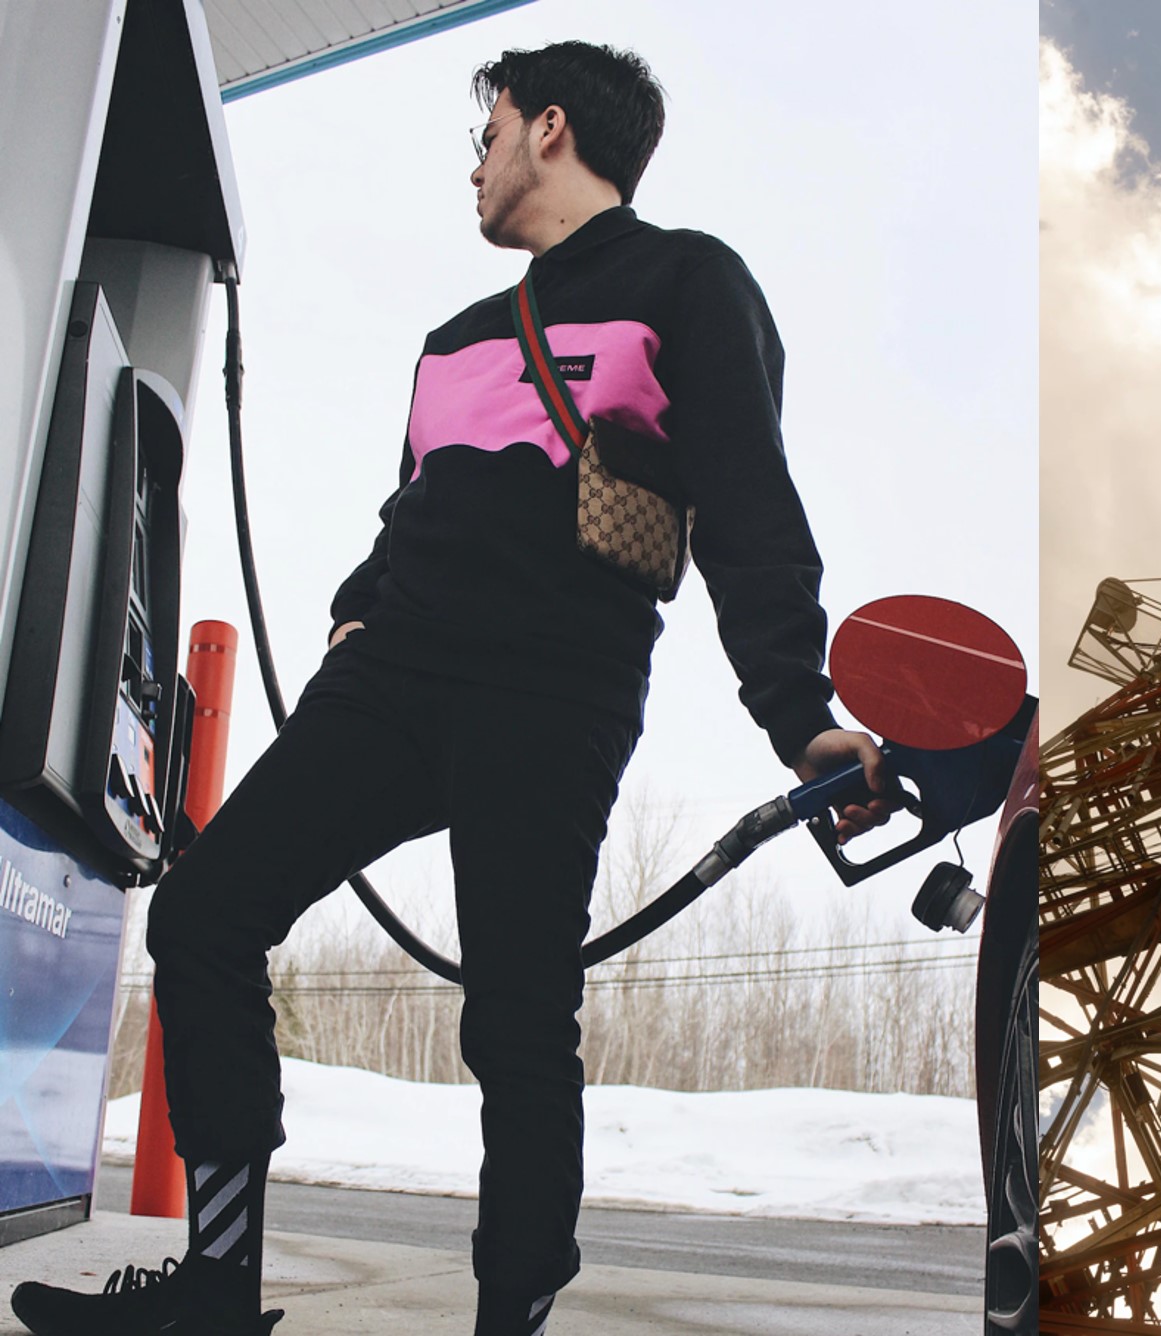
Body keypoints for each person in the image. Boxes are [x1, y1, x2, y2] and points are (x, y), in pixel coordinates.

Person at [10, 40, 888, 1336]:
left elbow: (745, 506)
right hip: (394, 677)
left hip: (557, 685)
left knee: (516, 1013)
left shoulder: (686, 284)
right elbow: (411, 502)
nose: (472, 168)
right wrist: (359, 612)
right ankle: (215, 1283)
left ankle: (507, 1316)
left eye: (486, 139)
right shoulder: (454, 342)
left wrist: (797, 714)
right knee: (205, 915)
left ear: (548, 129)